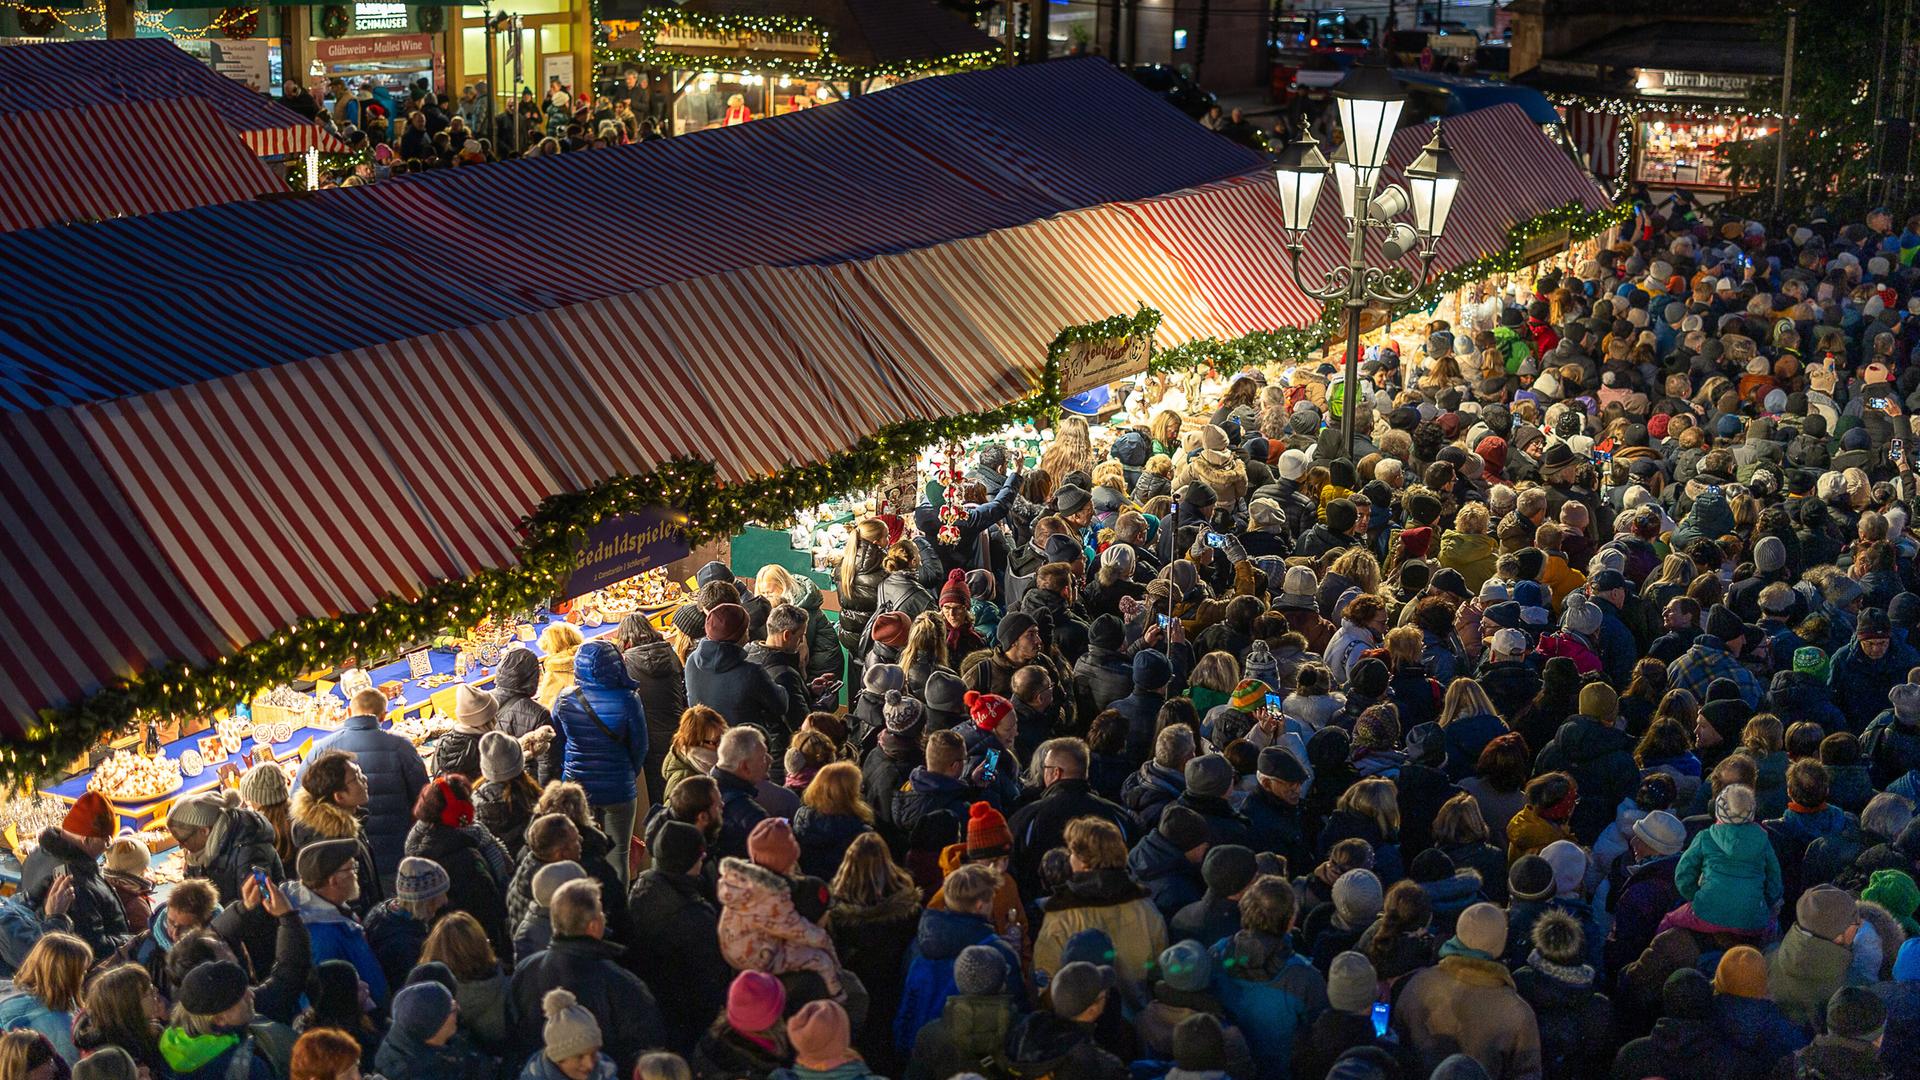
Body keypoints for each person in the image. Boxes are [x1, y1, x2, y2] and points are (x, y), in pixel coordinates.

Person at [510, 879, 664, 1075]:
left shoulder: (525, 970)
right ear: (593, 926)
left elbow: (514, 1033)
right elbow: (647, 1049)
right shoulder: (621, 983)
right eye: (601, 913)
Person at [301, 686, 430, 890]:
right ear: (384, 715)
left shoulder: (321, 749)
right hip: (397, 854)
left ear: (349, 712)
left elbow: (300, 799)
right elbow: (425, 798)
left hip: (345, 864)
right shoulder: (401, 747)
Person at [1394, 902, 1542, 1080]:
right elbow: (1527, 1074)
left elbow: (1397, 1048)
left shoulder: (1417, 984)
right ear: (1501, 941)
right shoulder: (1517, 1012)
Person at [628, 820, 728, 1052]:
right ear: (691, 859)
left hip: (657, 1005)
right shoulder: (693, 915)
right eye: (700, 854)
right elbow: (710, 977)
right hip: (685, 1015)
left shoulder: (643, 884)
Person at [552, 638, 648, 877]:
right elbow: (640, 745)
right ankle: (619, 908)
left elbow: (558, 740)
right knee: (620, 856)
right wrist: (628, 771)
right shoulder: (628, 699)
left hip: (577, 788)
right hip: (619, 787)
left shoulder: (565, 698)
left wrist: (570, 767)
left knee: (581, 853)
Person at [403, 776, 512, 957]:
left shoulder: (417, 849)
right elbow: (492, 907)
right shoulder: (471, 854)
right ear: (463, 811)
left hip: (439, 947)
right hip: (475, 944)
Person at [19, 792, 130, 958]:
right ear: (86, 840)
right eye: (106, 840)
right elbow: (94, 946)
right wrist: (131, 941)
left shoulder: (37, 854)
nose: (107, 846)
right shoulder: (77, 884)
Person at [286, 838, 389, 1008]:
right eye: (351, 868)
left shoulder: (338, 913)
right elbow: (325, 1002)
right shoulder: (321, 936)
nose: (356, 873)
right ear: (333, 880)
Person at [374, 979, 498, 1080]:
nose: (458, 1009)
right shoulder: (416, 1073)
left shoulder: (412, 1044)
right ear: (435, 1024)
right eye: (452, 1009)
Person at [0, 932, 88, 1065]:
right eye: (82, 971)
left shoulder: (6, 996)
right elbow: (73, 1069)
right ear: (66, 975)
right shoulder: (60, 1024)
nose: (85, 974)